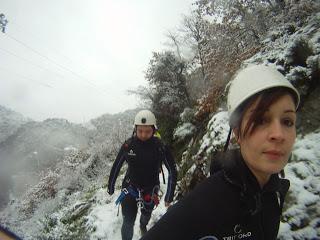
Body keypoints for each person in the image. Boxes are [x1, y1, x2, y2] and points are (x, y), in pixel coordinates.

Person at [140, 64, 300, 240]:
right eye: (261, 120)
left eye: (287, 121)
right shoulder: (203, 204)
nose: (279, 134)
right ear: (237, 132)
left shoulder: (274, 191)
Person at [107, 109, 177, 240]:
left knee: (146, 213)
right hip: (130, 187)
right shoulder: (128, 146)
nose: (143, 135)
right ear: (135, 129)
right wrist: (110, 186)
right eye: (140, 131)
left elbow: (172, 171)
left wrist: (169, 196)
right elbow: (117, 165)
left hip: (150, 189)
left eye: (147, 131)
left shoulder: (160, 147)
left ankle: (143, 225)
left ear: (154, 130)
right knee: (128, 221)